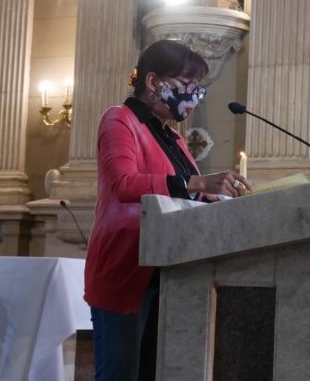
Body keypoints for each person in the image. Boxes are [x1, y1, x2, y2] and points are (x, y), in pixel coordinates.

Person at [84, 40, 252, 381]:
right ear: (152, 82)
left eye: (198, 89)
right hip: (126, 265)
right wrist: (201, 184)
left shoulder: (173, 139)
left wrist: (225, 199)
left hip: (170, 272)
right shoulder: (120, 120)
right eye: (186, 85)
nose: (193, 96)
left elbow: (190, 195)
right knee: (120, 373)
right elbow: (125, 183)